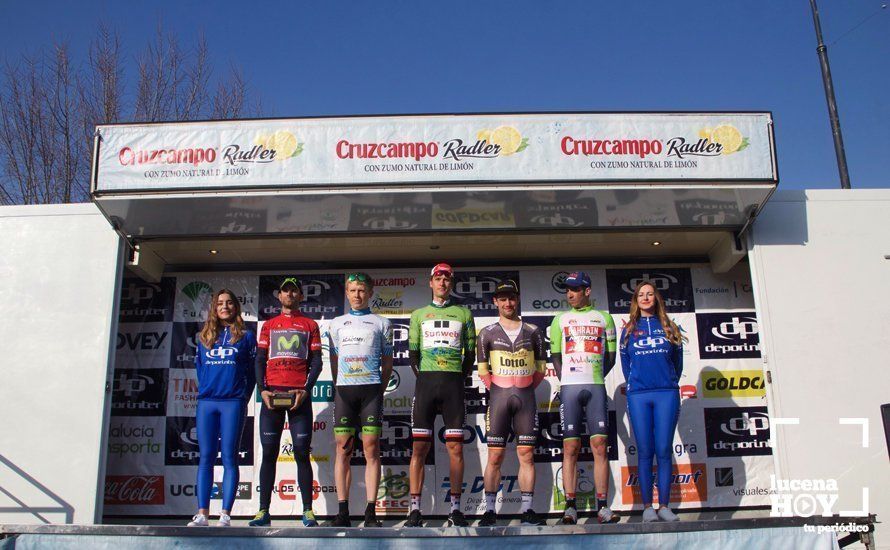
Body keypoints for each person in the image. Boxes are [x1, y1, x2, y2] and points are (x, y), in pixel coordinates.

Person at [405, 263, 476, 527]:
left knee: (455, 448)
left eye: (447, 279)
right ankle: (414, 510)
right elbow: (413, 355)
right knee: (419, 448)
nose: (442, 283)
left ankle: (456, 509)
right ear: (430, 283)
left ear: (452, 283)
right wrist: (425, 376)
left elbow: (470, 355)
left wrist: (458, 376)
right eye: (438, 278)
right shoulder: (418, 315)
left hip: (453, 387)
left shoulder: (464, 314)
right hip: (426, 385)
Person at [249, 277, 323, 527]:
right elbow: (259, 360)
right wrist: (263, 390)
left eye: (294, 291)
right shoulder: (269, 325)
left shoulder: (310, 324)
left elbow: (317, 362)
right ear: (279, 296)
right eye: (285, 290)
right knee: (269, 452)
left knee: (302, 453)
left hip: (299, 395)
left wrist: (305, 389)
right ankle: (263, 511)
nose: (289, 294)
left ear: (301, 296)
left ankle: (307, 510)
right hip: (272, 394)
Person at [476, 280, 547, 527]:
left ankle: (527, 510)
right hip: (499, 398)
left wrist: (523, 386)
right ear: (495, 301)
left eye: (512, 298)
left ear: (517, 300)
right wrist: (500, 387)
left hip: (526, 397)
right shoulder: (487, 333)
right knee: (495, 456)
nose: (508, 303)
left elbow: (540, 369)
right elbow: (483, 371)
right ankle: (490, 511)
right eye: (502, 298)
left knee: (526, 454)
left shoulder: (533, 331)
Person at [549, 271, 618, 524]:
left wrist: (594, 374)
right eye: (568, 289)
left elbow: (610, 357)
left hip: (596, 387)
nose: (570, 294)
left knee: (600, 447)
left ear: (587, 291)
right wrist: (566, 376)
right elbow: (555, 355)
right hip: (570, 388)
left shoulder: (604, 319)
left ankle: (602, 506)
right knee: (570, 447)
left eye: (576, 289)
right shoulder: (560, 319)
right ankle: (569, 506)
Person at [327, 272, 394, 527]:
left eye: (362, 290)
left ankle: (370, 512)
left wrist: (380, 387)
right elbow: (334, 361)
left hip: (371, 392)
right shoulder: (336, 323)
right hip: (345, 390)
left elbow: (387, 362)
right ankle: (342, 512)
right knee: (342, 449)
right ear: (346, 292)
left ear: (370, 293)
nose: (357, 295)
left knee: (371, 449)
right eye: (353, 290)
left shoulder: (381, 323)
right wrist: (339, 384)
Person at [187, 289, 256, 527]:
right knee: (205, 458)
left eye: (228, 303)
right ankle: (202, 513)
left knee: (229, 458)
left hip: (233, 403)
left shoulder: (246, 336)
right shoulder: (204, 336)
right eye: (219, 304)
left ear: (236, 306)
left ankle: (225, 513)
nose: (224, 307)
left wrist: (242, 397)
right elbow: (200, 370)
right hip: (207, 402)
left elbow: (252, 373)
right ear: (214, 309)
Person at [620, 281, 686, 523]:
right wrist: (637, 384)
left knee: (664, 450)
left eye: (650, 294)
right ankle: (647, 506)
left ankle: (665, 506)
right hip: (639, 395)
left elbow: (678, 365)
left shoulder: (669, 326)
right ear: (635, 300)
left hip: (666, 393)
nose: (646, 298)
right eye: (641, 294)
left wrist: (667, 383)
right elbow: (627, 366)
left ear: (656, 298)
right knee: (646, 451)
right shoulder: (628, 329)